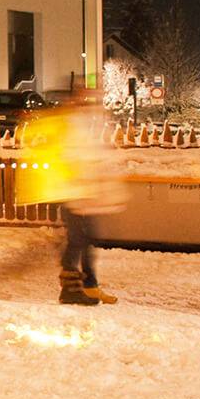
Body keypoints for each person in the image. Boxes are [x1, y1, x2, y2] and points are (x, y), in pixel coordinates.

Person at [17, 100, 125, 306]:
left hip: (84, 194)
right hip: (75, 194)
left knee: (86, 240)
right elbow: (72, 158)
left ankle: (90, 286)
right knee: (77, 241)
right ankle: (70, 289)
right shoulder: (68, 127)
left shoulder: (81, 125)